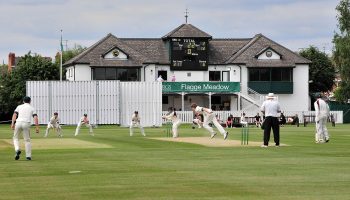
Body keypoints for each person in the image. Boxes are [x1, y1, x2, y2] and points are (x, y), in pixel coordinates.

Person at [11, 96, 39, 161]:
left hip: (18, 123)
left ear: (23, 101)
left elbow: (14, 115)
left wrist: (12, 123)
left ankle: (17, 149)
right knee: (27, 140)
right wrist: (37, 127)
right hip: (26, 123)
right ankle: (28, 156)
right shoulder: (32, 108)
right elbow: (35, 118)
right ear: (30, 101)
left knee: (15, 138)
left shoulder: (19, 106)